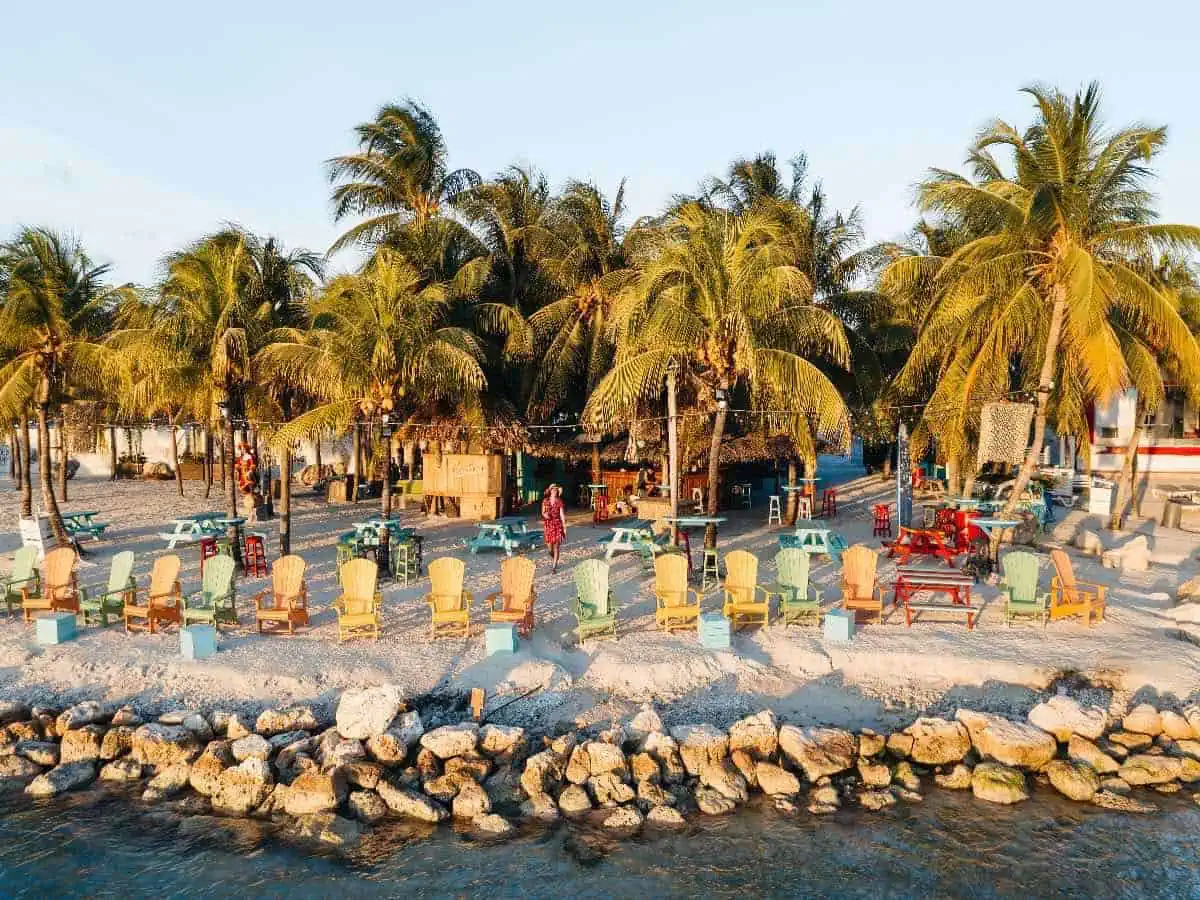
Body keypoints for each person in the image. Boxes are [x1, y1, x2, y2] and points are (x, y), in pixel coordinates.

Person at [541, 483, 567, 573]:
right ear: (550, 491)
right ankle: (555, 558)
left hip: (557, 525)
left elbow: (562, 515)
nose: (554, 491)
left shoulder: (559, 501)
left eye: (556, 490)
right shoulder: (545, 501)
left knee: (556, 547)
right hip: (548, 525)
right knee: (550, 548)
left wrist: (564, 527)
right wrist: (545, 515)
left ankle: (554, 567)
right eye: (553, 489)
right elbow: (542, 512)